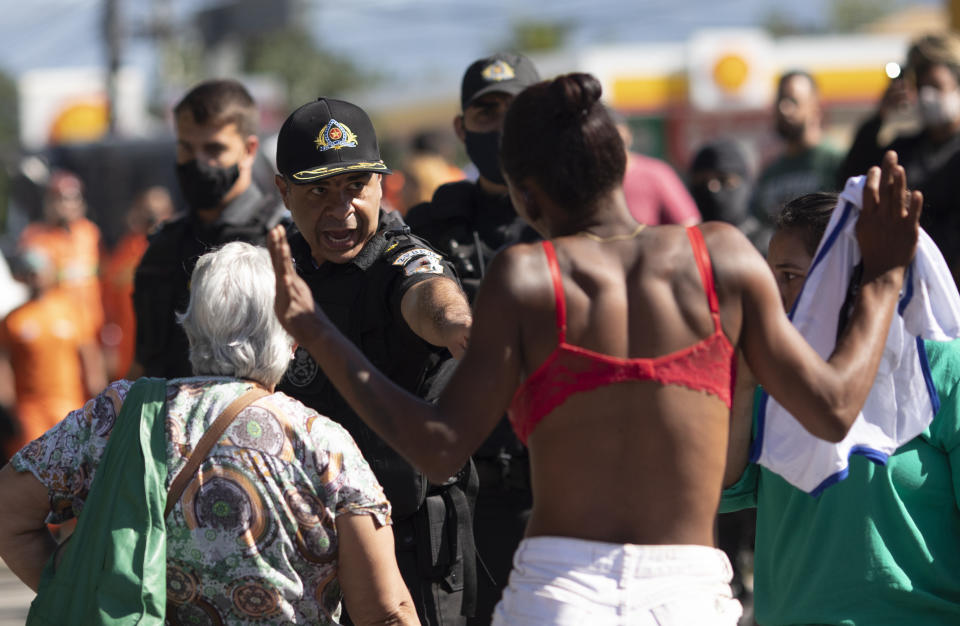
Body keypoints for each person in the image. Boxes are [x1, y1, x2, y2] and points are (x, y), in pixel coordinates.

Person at [267, 73, 921, 624]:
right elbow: (833, 407)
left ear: (525, 194)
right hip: (688, 595)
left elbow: (439, 446)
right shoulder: (722, 256)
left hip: (560, 592)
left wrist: (316, 331)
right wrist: (885, 279)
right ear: (623, 166)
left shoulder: (525, 278)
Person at [0, 241, 419, 625]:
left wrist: (94, 597)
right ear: (290, 337)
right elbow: (385, 612)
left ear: (193, 325)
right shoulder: (323, 444)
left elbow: (8, 512)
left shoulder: (119, 414)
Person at [272, 96, 475, 626]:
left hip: (408, 547)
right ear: (282, 191)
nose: (342, 209)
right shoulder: (272, 270)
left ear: (382, 185)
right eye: (319, 190)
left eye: (355, 186)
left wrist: (459, 327)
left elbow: (433, 299)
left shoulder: (403, 258)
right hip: (301, 547)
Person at [721, 192, 960, 625]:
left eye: (790, 276)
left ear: (847, 277)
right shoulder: (773, 373)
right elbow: (720, 490)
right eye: (768, 277)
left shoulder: (941, 368)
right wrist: (742, 388)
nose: (774, 296)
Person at [404, 52, 539, 624]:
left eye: (516, 112)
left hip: (553, 489)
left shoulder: (574, 219)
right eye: (486, 113)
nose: (501, 127)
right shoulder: (430, 226)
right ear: (461, 129)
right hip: (461, 489)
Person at [132, 78, 287, 379]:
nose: (198, 163)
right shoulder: (162, 249)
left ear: (249, 149)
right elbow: (144, 362)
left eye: (214, 149)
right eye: (187, 149)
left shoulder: (282, 240)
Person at [838, 33, 960, 284]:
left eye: (937, 87)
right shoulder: (906, 149)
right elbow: (852, 177)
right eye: (922, 88)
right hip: (909, 282)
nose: (928, 97)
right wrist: (881, 114)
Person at [0, 247, 104, 459]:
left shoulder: (71, 311)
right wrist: (8, 405)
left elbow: (89, 355)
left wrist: (99, 395)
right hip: (29, 408)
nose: (35, 277)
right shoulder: (13, 319)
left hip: (69, 403)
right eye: (30, 272)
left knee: (71, 463)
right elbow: (4, 364)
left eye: (39, 271)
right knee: (31, 464)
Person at [18, 170, 106, 382]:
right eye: (59, 199)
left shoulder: (89, 233)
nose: (66, 205)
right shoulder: (36, 237)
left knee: (98, 390)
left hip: (92, 327)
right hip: (57, 331)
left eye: (72, 198)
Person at [749, 71, 842, 237]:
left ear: (815, 106)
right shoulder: (770, 173)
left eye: (792, 100)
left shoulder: (836, 162)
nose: (783, 109)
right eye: (779, 100)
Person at [100, 186, 174, 380]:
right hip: (128, 354)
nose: (153, 219)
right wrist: (108, 346)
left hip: (167, 354)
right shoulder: (125, 251)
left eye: (159, 213)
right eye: (148, 213)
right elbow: (108, 304)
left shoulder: (176, 250)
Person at [609, 108, 701, 227]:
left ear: (628, 135)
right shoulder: (585, 180)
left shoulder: (656, 174)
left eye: (616, 137)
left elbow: (689, 224)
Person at [688, 138, 770, 251]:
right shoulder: (689, 248)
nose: (712, 188)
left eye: (724, 180)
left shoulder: (768, 246)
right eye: (702, 181)